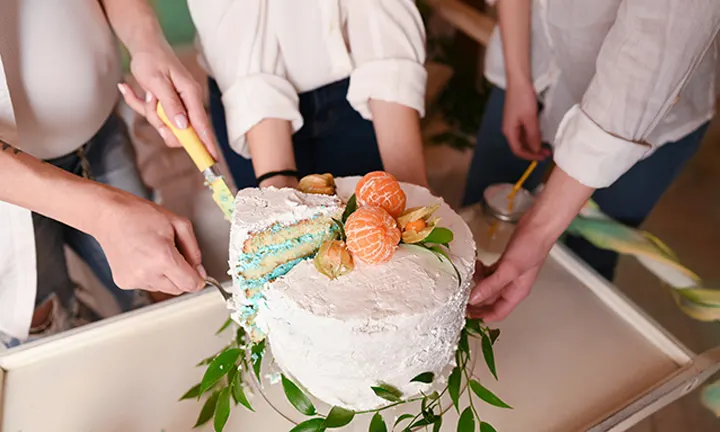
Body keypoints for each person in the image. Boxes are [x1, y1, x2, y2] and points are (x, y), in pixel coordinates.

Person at [466, 0, 720, 321]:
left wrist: (541, 227)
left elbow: (656, 41)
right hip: (533, 58)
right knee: (473, 218)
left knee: (588, 265)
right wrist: (519, 80)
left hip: (650, 117)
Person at [0, 0, 214, 349]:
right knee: (43, 326)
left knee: (163, 277)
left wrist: (147, 43)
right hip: (8, 200)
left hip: (102, 129)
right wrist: (101, 213)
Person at [187, 0, 429, 190]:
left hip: (362, 93)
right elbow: (240, 29)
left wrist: (413, 187)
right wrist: (278, 186)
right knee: (280, 239)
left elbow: (381, 15)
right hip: (250, 106)